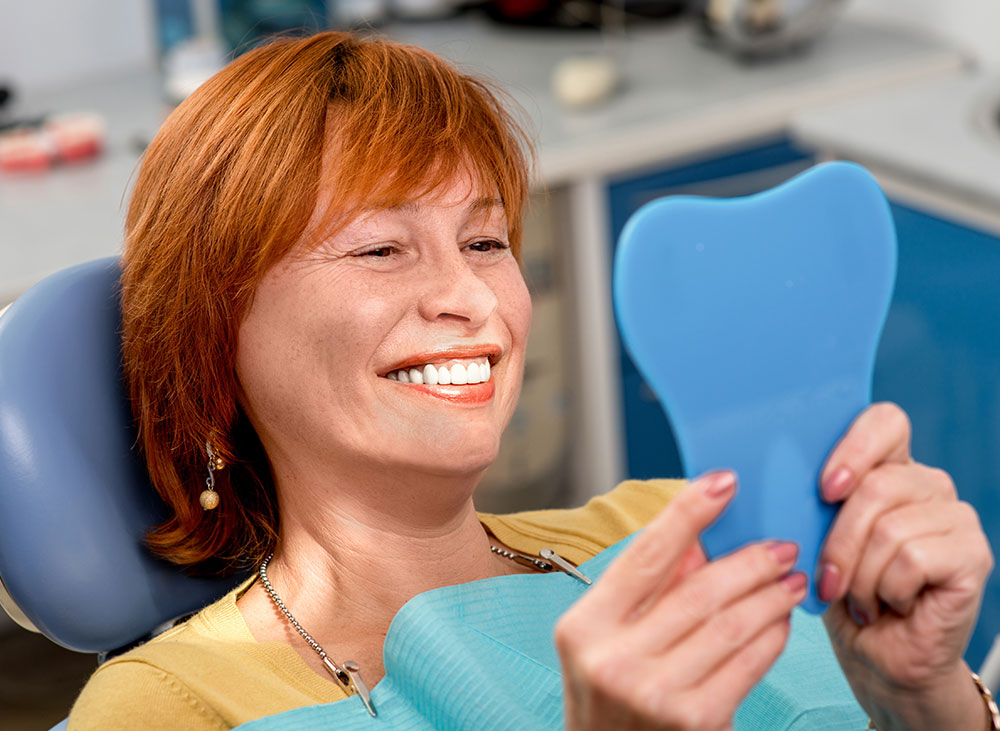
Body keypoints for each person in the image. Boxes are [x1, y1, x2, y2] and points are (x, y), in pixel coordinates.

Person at [68, 30, 995, 730]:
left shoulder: (675, 531)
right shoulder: (165, 707)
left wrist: (926, 699)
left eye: (486, 241)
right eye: (382, 248)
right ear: (214, 332)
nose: (471, 295)